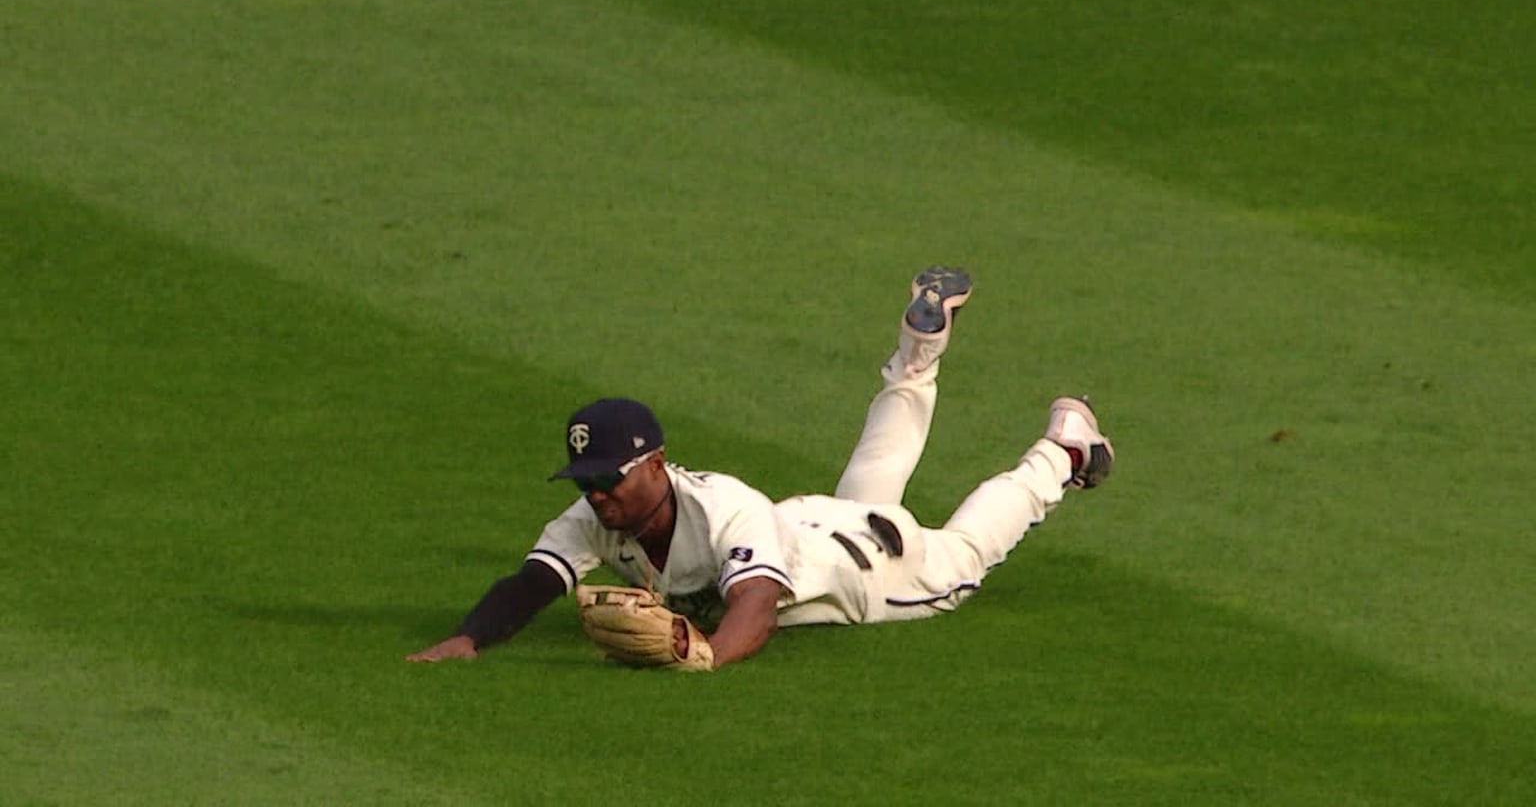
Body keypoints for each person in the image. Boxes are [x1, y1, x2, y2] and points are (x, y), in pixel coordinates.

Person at [407, 266, 1113, 668]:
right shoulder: (597, 516)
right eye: (586, 483)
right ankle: (916, 353)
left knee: (962, 559)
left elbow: (757, 609)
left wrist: (703, 653)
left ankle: (1064, 450)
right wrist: (470, 638)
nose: (598, 497)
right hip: (810, 523)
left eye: (610, 480)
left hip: (868, 570)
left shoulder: (722, 508)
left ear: (653, 464)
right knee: (874, 470)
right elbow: (531, 582)